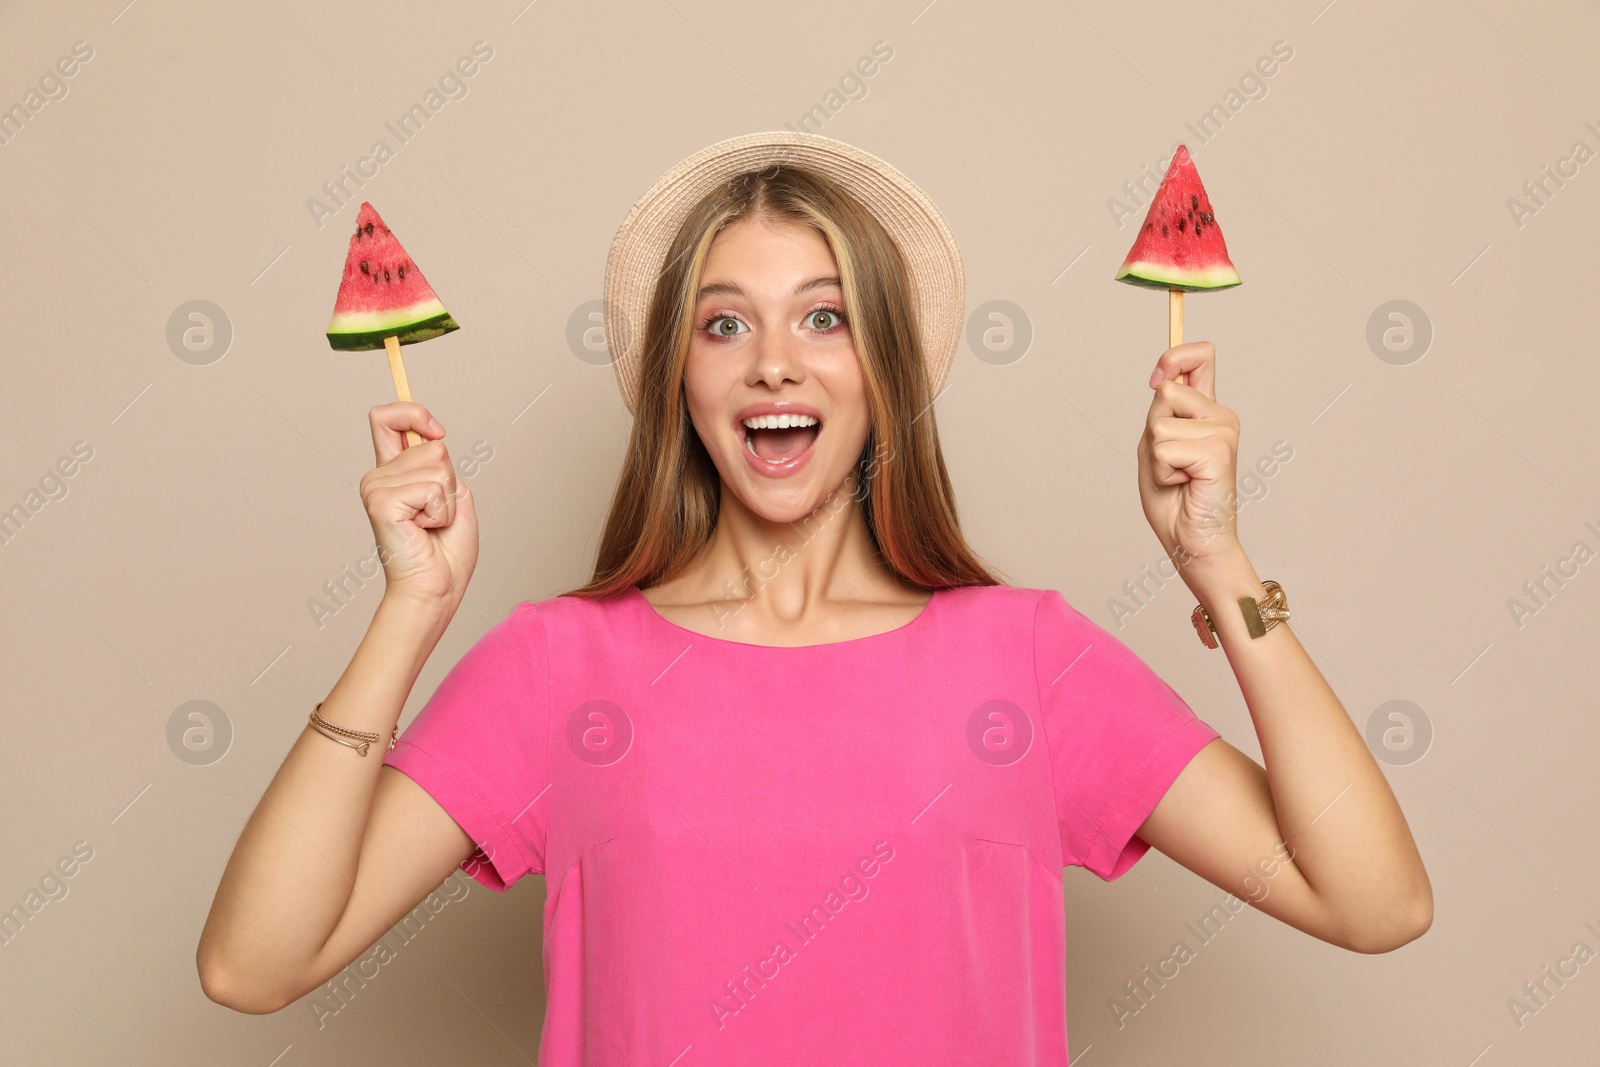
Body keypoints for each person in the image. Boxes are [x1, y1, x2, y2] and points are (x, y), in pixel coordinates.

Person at [196, 131, 1432, 1063]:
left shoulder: (1028, 658)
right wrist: (408, 614)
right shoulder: (556, 667)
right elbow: (254, 964)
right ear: (679, 378)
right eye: (724, 323)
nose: (775, 360)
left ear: (881, 372)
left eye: (824, 318)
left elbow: (1375, 902)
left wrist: (1219, 564)